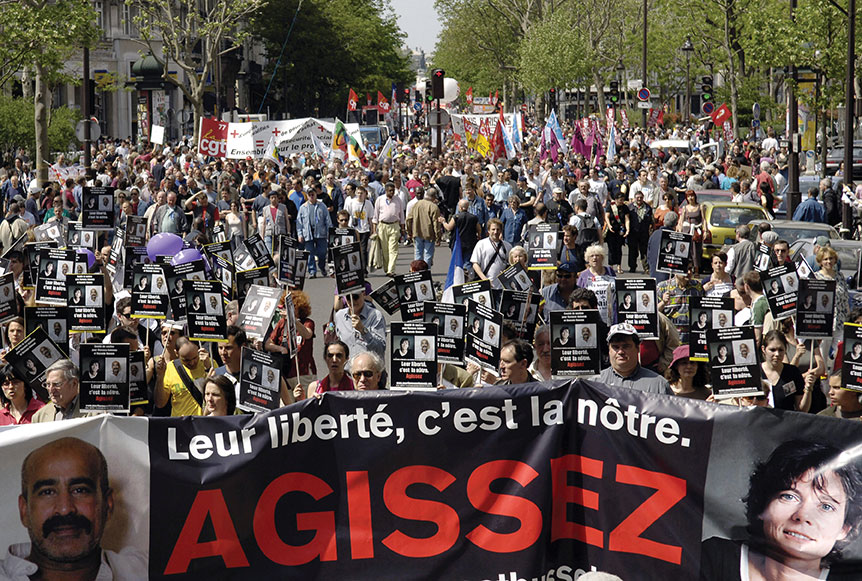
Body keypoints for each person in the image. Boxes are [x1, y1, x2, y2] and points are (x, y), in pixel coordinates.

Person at [699, 440, 862, 580]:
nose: (803, 516)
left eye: (826, 506)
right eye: (789, 497)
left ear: (845, 528)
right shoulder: (714, 559)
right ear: (764, 504)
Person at [0, 437, 147, 580]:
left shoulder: (148, 571)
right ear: (24, 510)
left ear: (107, 505)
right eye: (47, 492)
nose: (65, 508)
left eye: (80, 490)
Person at [598, 323, 672, 394]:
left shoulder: (659, 385)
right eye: (615, 347)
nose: (620, 352)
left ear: (637, 348)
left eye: (626, 346)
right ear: (609, 350)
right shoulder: (594, 383)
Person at [760, 329, 815, 411]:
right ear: (763, 349)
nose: (777, 354)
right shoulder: (756, 372)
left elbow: (802, 410)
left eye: (781, 350)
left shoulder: (792, 372)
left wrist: (808, 389)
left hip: (787, 422)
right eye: (772, 350)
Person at [334, 288, 386, 363]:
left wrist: (362, 330)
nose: (352, 301)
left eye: (355, 297)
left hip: (369, 371)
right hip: (348, 371)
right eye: (349, 297)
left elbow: (380, 349)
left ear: (363, 294)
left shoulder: (376, 316)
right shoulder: (340, 316)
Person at [657, 263, 704, 344]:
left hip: (692, 340)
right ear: (675, 271)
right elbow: (653, 313)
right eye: (685, 270)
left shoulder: (697, 286)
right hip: (671, 340)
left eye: (690, 269)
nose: (689, 272)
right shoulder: (663, 287)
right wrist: (663, 303)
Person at [371, 182, 406, 277]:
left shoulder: (398, 200)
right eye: (390, 191)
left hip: (394, 226)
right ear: (386, 191)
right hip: (383, 226)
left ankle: (391, 270)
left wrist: (403, 229)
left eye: (393, 190)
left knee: (393, 249)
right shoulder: (379, 199)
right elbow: (375, 216)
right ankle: (387, 269)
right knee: (385, 250)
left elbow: (402, 216)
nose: (392, 192)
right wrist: (374, 231)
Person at [576, 245, 616, 324]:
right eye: (592, 256)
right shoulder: (583, 275)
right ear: (588, 259)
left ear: (602, 258)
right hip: (592, 314)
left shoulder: (610, 271)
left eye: (597, 255)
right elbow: (578, 295)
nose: (594, 258)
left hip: (610, 314)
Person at [470, 218, 512, 289]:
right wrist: (484, 279)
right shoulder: (481, 244)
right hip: (486, 285)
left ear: (501, 231)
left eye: (498, 229)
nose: (495, 232)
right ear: (488, 230)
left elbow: (512, 264)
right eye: (493, 229)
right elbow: (475, 264)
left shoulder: (508, 246)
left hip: (503, 287)